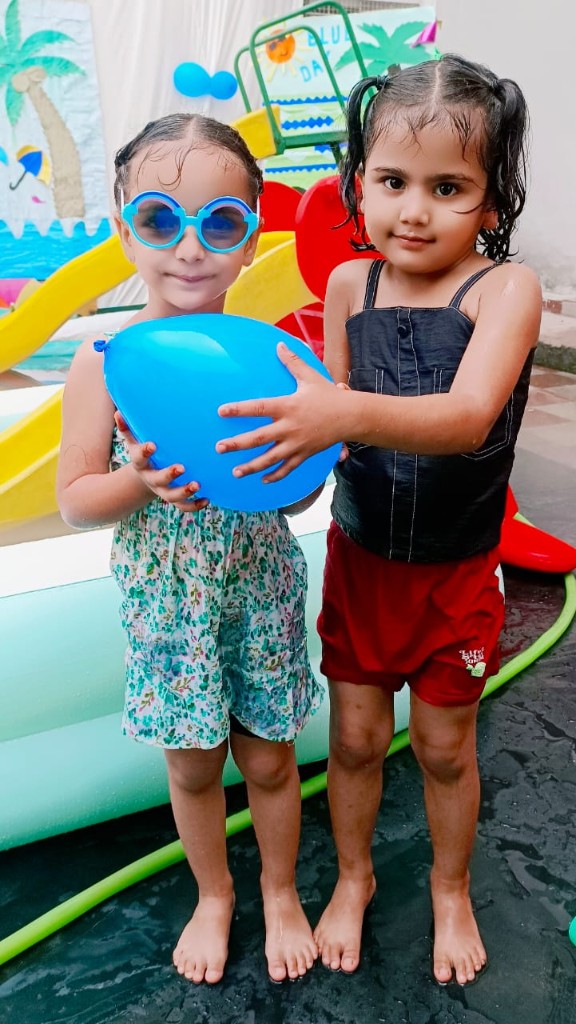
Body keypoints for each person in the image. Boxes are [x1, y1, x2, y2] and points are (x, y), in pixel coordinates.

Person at [215, 54, 542, 986]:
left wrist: (337, 415)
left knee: (443, 746)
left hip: (455, 573)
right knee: (355, 739)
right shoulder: (352, 287)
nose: (414, 211)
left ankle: (450, 888)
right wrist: (271, 471)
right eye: (392, 182)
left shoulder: (503, 292)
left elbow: (467, 415)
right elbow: (329, 435)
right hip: (362, 561)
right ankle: (352, 877)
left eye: (450, 188)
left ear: (491, 200)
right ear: (358, 184)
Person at [57, 112, 324, 986]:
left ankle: (280, 891)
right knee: (193, 762)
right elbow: (74, 500)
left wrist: (308, 457)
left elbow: (303, 489)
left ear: (250, 239)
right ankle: (216, 895)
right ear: (125, 229)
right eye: (161, 221)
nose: (189, 248)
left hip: (259, 586)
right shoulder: (101, 359)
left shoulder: (270, 357)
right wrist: (138, 482)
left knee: (270, 755)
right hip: (168, 599)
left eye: (219, 224)